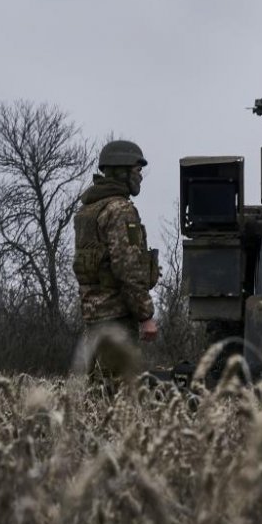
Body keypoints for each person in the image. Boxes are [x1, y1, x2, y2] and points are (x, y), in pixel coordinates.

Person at [73, 140, 160, 389]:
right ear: (121, 172)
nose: (140, 177)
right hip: (117, 317)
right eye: (137, 171)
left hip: (93, 314)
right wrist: (145, 315)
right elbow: (127, 268)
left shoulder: (89, 210)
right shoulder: (120, 210)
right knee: (119, 396)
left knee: (99, 393)